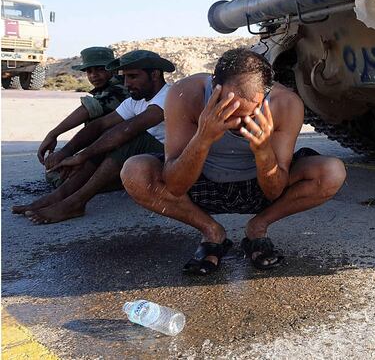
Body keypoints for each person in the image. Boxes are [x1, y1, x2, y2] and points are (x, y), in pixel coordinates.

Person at [121, 48, 346, 275]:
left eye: (249, 112)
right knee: (135, 172)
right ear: (214, 86)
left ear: (265, 94)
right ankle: (212, 233)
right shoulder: (185, 94)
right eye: (227, 108)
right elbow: (176, 185)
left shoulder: (286, 104)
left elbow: (274, 192)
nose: (238, 121)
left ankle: (258, 228)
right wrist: (203, 138)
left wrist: (263, 150)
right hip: (200, 183)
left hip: (258, 186)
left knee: (331, 172)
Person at [13, 50, 174, 224]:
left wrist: (82, 156)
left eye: (133, 76)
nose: (127, 83)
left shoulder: (170, 96)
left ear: (155, 75)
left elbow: (129, 129)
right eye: (125, 77)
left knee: (130, 138)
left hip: (177, 165)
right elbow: (100, 125)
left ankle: (76, 202)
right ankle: (60, 195)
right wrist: (68, 151)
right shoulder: (136, 100)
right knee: (106, 136)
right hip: (148, 162)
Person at [38, 46, 129, 187]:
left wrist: (53, 134)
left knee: (63, 178)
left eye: (100, 69)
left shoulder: (121, 88)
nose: (94, 75)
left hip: (125, 151)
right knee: (60, 172)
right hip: (108, 148)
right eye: (89, 71)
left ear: (114, 69)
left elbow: (89, 109)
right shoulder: (107, 89)